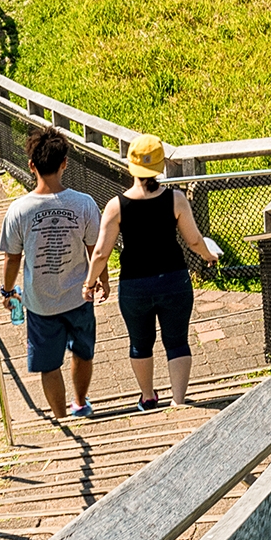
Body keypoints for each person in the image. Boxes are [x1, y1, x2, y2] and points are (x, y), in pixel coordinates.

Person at [87, 135, 222, 410]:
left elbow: (101, 252)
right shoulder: (176, 199)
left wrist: (89, 283)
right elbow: (194, 240)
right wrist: (209, 255)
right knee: (177, 341)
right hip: (174, 279)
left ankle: (148, 397)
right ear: (160, 167)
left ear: (130, 166)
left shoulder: (116, 206)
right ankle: (179, 401)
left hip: (135, 286)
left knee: (140, 343)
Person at [0, 128, 105, 420]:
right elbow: (96, 250)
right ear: (65, 163)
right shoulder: (84, 203)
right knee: (83, 352)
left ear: (31, 165)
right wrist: (102, 281)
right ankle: (80, 403)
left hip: (39, 302)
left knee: (48, 364)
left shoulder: (19, 210)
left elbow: (12, 258)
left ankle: (59, 417)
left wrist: (8, 291)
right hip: (79, 295)